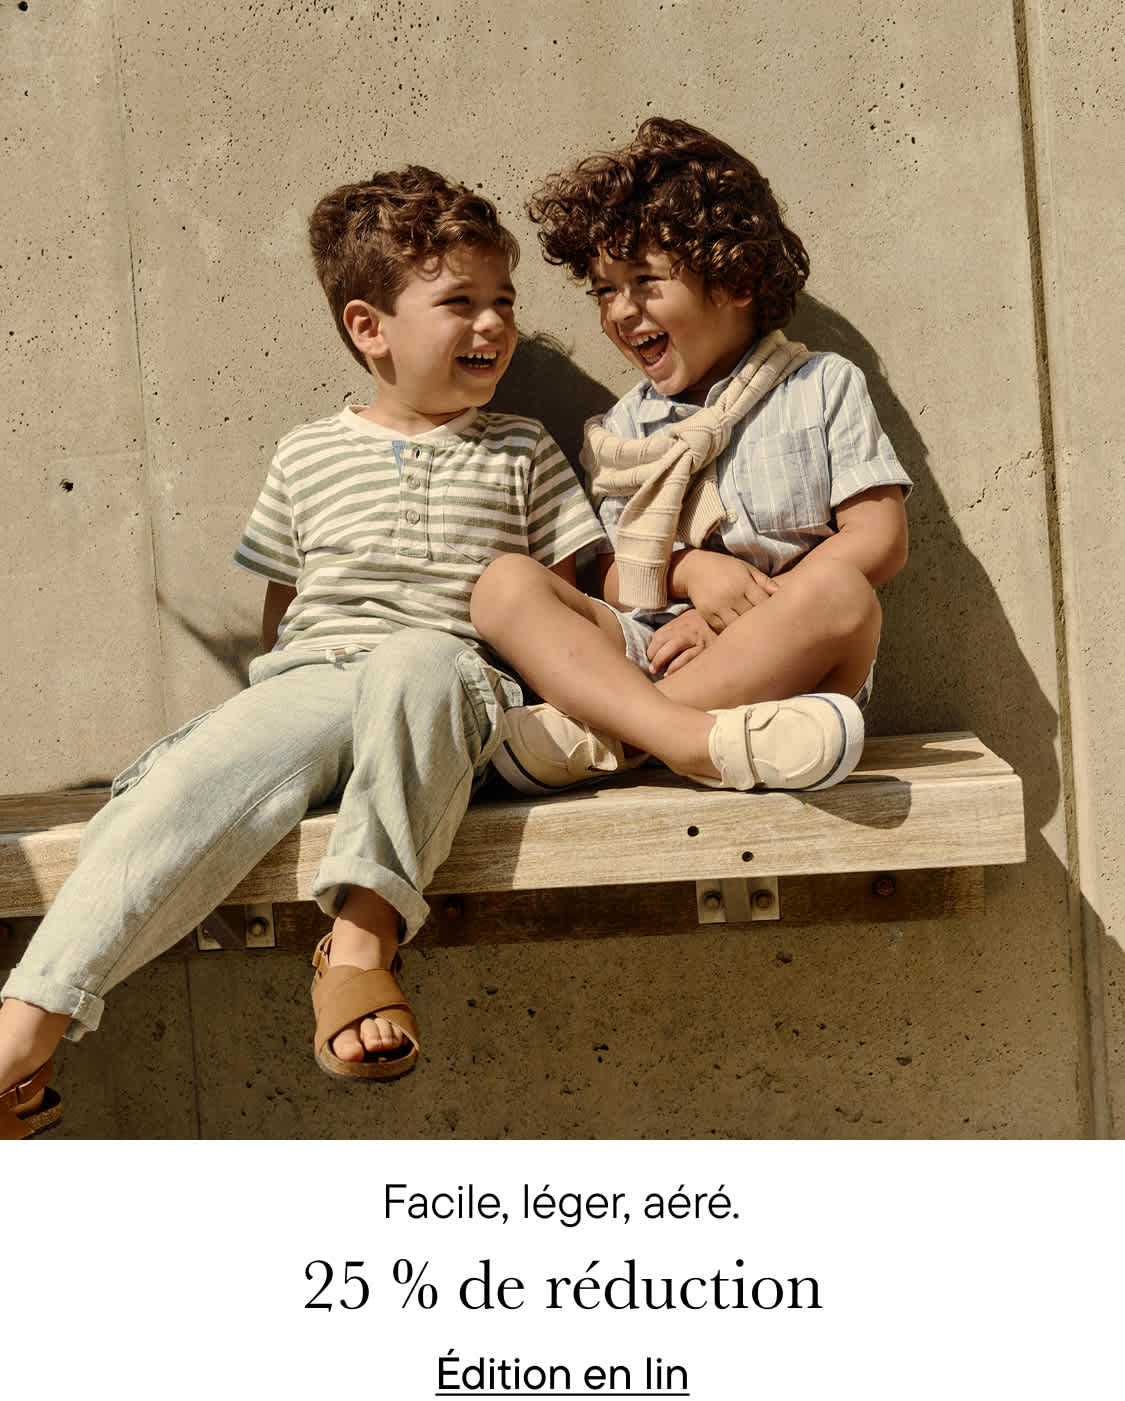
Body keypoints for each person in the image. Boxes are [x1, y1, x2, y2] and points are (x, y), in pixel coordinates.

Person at [0, 165, 605, 1139]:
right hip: (316, 680)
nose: (493, 325)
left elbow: (567, 598)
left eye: (504, 302)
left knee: (418, 660)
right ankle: (28, 1024)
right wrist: (278, 733)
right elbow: (285, 613)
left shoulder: (524, 448)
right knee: (185, 777)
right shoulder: (304, 453)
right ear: (371, 328)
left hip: (450, 692)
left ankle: (358, 949)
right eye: (460, 302)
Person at [470, 117, 911, 797]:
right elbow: (609, 572)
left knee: (845, 595)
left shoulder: (820, 384)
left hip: (781, 655)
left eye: (644, 281)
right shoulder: (623, 427)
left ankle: (610, 739)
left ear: (736, 279)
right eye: (603, 290)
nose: (620, 310)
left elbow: (878, 539)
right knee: (504, 584)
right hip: (644, 651)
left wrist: (736, 620)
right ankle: (684, 740)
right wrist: (690, 573)